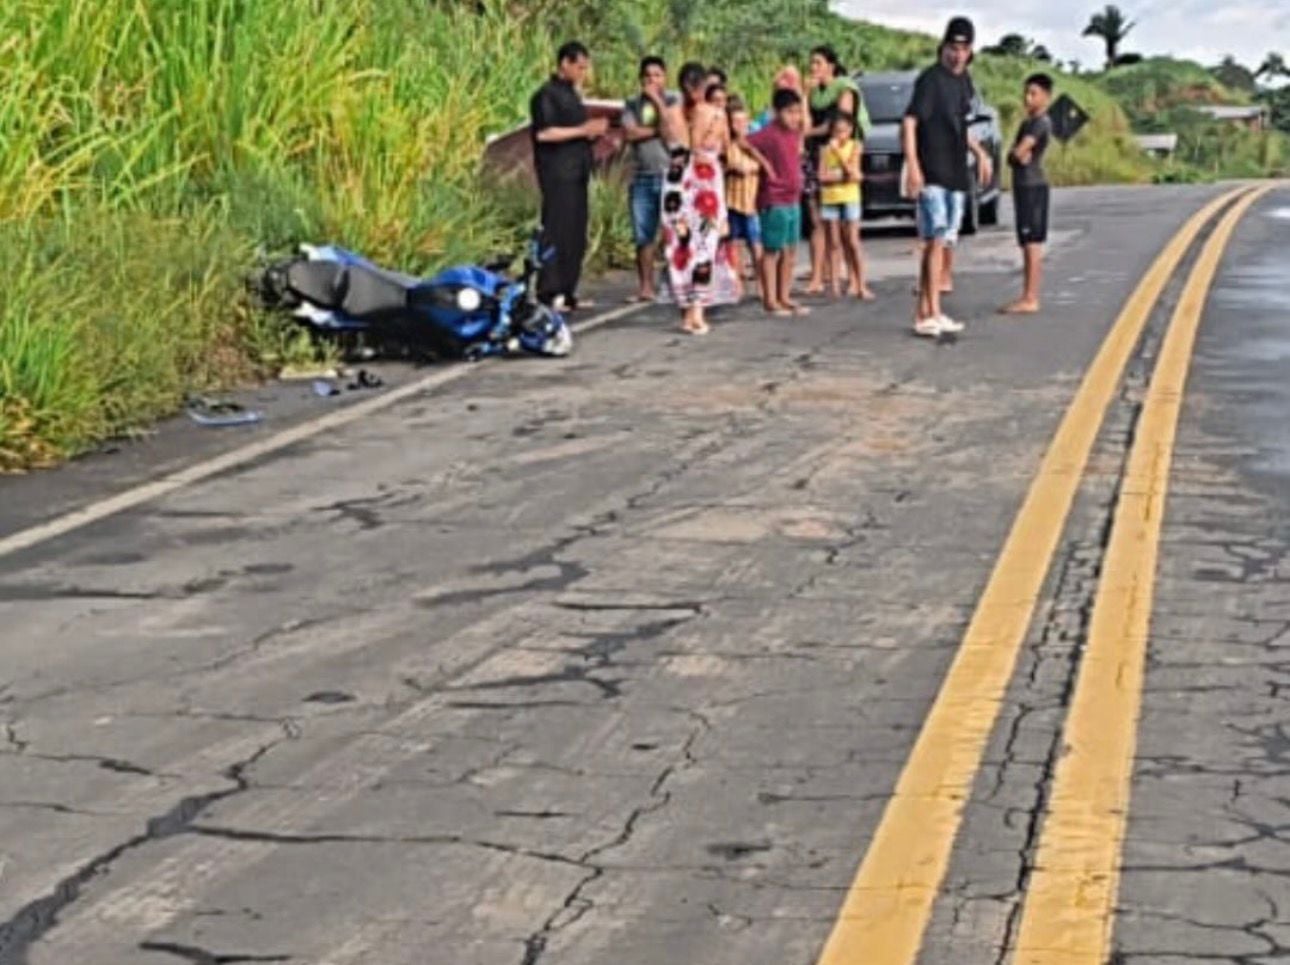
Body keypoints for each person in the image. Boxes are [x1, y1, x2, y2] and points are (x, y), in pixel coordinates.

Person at [903, 17, 994, 337]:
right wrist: (913, 165)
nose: (958, 55)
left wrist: (980, 153)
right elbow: (911, 122)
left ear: (971, 52)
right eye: (953, 48)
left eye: (964, 49)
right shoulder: (931, 80)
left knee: (940, 242)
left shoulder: (964, 81)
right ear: (943, 47)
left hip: (956, 170)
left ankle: (926, 312)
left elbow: (962, 126)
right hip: (933, 170)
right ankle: (932, 312)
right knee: (935, 238)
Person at [659, 62, 738, 335]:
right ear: (702, 87)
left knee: (679, 248)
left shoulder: (668, 114)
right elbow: (726, 149)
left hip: (675, 183)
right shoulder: (715, 114)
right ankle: (697, 310)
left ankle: (686, 311)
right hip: (704, 183)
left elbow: (669, 146)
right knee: (705, 245)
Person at [530, 41, 608, 311]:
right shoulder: (546, 95)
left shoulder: (573, 95)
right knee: (556, 232)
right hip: (557, 174)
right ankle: (549, 292)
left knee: (576, 234)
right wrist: (582, 130)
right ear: (564, 63)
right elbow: (545, 133)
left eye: (585, 68)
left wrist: (593, 133)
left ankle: (568, 290)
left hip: (577, 173)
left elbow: (577, 131)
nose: (582, 73)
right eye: (579, 67)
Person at [805, 46, 865, 295]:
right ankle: (820, 277)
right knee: (818, 221)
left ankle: (854, 279)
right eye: (812, 63)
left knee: (847, 232)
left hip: (843, 159)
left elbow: (840, 124)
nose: (813, 68)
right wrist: (803, 94)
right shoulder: (813, 94)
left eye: (818, 63)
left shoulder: (844, 89)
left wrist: (808, 133)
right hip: (818, 156)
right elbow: (807, 122)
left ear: (831, 66)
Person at [622, 56, 680, 303]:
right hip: (642, 176)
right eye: (647, 76)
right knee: (643, 234)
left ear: (665, 77)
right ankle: (646, 286)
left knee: (674, 233)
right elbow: (630, 133)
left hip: (670, 175)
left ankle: (674, 283)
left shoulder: (673, 100)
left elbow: (674, 133)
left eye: (657, 75)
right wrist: (658, 130)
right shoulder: (632, 104)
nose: (652, 80)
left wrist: (658, 102)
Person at [749, 87, 808, 317]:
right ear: (777, 112)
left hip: (793, 198)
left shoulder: (794, 132)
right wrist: (764, 163)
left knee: (790, 250)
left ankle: (784, 295)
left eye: (797, 112)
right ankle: (770, 299)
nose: (795, 117)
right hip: (775, 198)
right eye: (789, 112)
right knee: (772, 250)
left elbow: (806, 125)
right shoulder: (769, 133)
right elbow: (744, 142)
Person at [1001, 73, 1054, 315]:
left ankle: (1030, 297)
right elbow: (1013, 157)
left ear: (1046, 97)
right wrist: (1015, 156)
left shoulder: (1039, 123)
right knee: (1026, 242)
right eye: (1026, 92)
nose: (1027, 98)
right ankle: (1027, 294)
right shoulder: (1027, 122)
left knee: (1032, 242)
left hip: (1033, 186)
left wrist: (1016, 154)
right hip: (1024, 185)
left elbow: (1018, 153)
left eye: (1033, 93)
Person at [818, 112, 874, 300]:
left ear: (850, 131)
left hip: (850, 196)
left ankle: (861, 284)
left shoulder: (855, 146)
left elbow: (853, 172)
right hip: (830, 198)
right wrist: (840, 176)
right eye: (836, 132)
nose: (839, 136)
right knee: (833, 242)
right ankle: (834, 284)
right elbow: (822, 176)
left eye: (843, 132)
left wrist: (838, 156)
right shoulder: (824, 150)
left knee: (852, 240)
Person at [725, 96, 773, 301]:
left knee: (756, 244)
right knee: (733, 244)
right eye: (735, 122)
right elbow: (736, 165)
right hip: (733, 201)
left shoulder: (756, 145)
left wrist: (751, 154)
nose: (740, 126)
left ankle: (763, 285)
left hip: (751, 203)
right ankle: (736, 284)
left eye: (743, 122)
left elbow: (760, 165)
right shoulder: (729, 145)